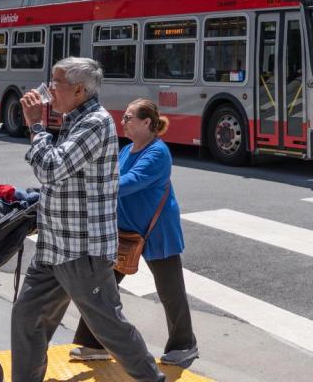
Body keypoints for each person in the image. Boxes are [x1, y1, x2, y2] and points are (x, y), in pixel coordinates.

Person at [12, 57, 165, 382]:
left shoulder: (95, 122)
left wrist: (36, 126)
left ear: (79, 89)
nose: (49, 90)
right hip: (54, 246)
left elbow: (51, 169)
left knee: (110, 328)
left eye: (56, 83)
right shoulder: (74, 119)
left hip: (82, 251)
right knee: (27, 318)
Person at [70, 98, 199, 367]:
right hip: (125, 232)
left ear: (147, 122)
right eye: (124, 117)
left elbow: (128, 182)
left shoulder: (157, 153)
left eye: (129, 117)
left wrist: (94, 185)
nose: (123, 121)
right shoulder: (128, 149)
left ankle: (184, 345)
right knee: (101, 289)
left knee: (170, 291)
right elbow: (110, 175)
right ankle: (95, 343)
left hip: (157, 232)